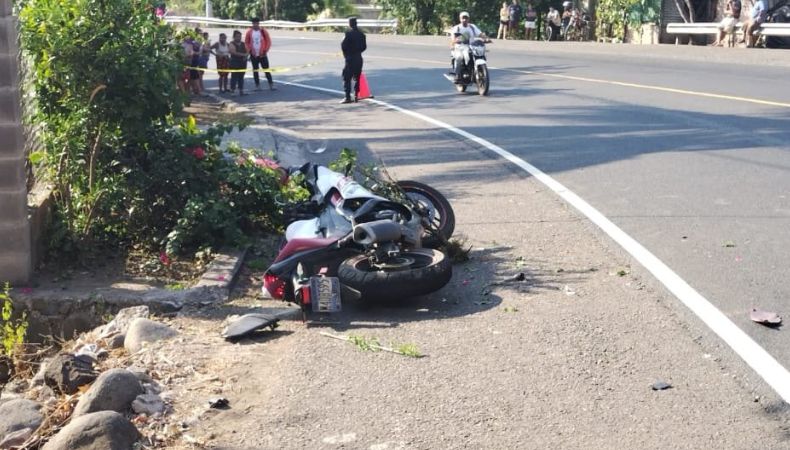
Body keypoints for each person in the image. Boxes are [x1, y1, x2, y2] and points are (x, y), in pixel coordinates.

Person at [449, 11, 484, 83]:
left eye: (466, 18)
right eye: (463, 18)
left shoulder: (472, 27)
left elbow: (480, 34)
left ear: (468, 19)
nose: (464, 20)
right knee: (459, 57)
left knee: (480, 55)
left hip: (471, 47)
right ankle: (457, 75)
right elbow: (453, 39)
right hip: (459, 47)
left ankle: (478, 71)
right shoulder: (457, 28)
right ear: (460, 19)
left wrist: (486, 38)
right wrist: (456, 40)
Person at [340, 17, 367, 104]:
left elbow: (343, 45)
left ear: (350, 24)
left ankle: (347, 97)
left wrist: (346, 54)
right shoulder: (362, 34)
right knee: (357, 77)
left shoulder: (348, 34)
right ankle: (356, 95)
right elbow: (364, 47)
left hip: (350, 58)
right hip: (358, 58)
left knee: (346, 77)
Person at [244, 18, 275, 91]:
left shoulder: (263, 31)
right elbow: (246, 42)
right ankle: (257, 85)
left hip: (262, 54)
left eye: (256, 23)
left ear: (258, 23)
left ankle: (271, 84)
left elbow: (268, 41)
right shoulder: (249, 32)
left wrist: (265, 50)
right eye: (254, 23)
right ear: (252, 24)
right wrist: (249, 50)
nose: (255, 25)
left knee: (266, 70)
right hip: (254, 54)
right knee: (255, 70)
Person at [229, 30, 249, 96]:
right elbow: (233, 52)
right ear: (234, 37)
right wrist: (244, 55)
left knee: (241, 76)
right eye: (237, 36)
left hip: (242, 62)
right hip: (234, 61)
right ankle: (232, 90)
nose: (239, 38)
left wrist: (246, 56)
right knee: (234, 76)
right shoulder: (231, 44)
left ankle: (241, 90)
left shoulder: (243, 44)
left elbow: (247, 51)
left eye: (240, 36)